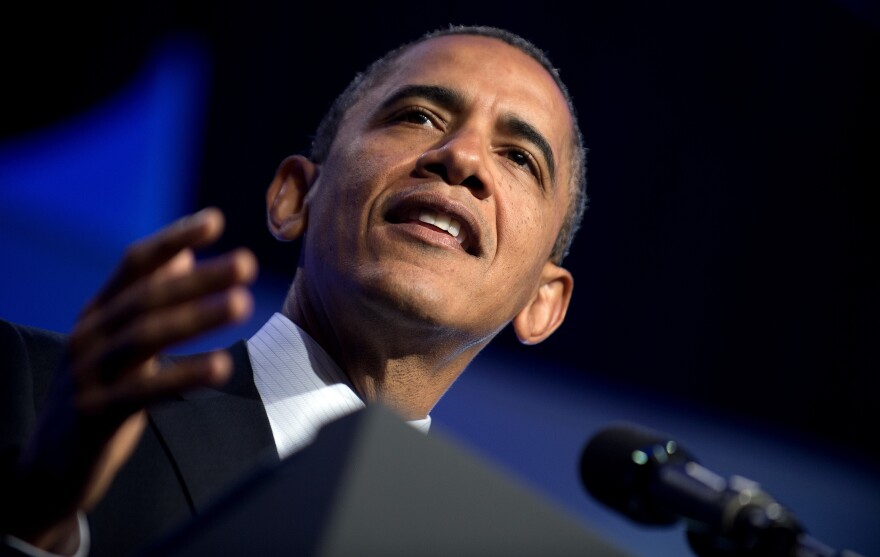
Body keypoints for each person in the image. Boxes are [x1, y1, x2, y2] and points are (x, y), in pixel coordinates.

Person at [1, 24, 588, 556]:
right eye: (418, 117)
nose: (460, 157)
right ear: (293, 198)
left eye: (518, 157)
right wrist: (38, 525)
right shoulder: (33, 393)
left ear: (543, 302)